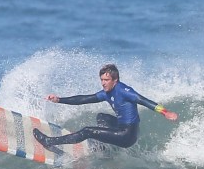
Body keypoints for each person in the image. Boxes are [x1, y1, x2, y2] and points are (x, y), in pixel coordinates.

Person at [34, 63, 177, 151]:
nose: (103, 83)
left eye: (106, 80)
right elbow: (85, 99)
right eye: (102, 80)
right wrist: (59, 99)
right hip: (121, 127)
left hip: (127, 135)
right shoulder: (106, 93)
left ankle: (49, 142)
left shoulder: (124, 91)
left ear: (115, 80)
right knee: (101, 116)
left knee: (87, 131)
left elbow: (144, 101)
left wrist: (165, 112)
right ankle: (103, 148)